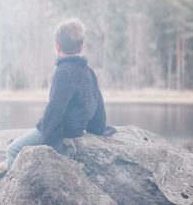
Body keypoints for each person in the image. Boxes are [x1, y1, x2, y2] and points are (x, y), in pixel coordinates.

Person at [6, 18, 115, 170]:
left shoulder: (64, 71)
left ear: (57, 46)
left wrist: (51, 146)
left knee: (13, 150)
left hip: (64, 129)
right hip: (76, 127)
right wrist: (98, 129)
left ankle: (12, 191)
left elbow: (54, 110)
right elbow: (98, 104)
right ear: (82, 46)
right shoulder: (88, 70)